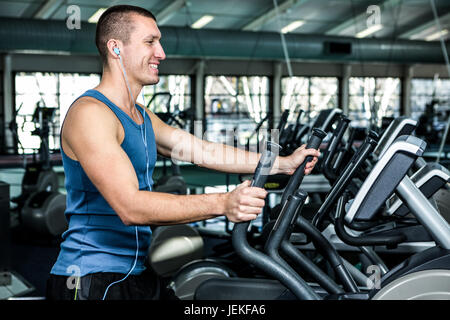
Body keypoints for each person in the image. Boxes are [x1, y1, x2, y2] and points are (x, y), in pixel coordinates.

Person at [46, 5, 320, 300]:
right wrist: (224, 203)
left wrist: (281, 163)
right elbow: (130, 207)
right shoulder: (91, 113)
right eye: (150, 42)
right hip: (91, 279)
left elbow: (203, 151)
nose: (161, 53)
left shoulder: (140, 115)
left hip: (134, 270)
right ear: (116, 48)